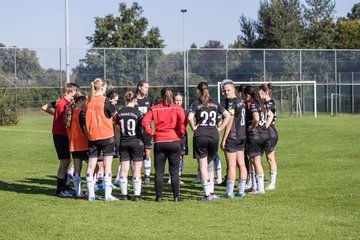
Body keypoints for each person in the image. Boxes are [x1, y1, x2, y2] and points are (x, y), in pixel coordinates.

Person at [188, 82, 230, 201]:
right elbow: (227, 115)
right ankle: (212, 192)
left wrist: (193, 127)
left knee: (202, 166)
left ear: (198, 91)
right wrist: (220, 128)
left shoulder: (196, 103)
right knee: (210, 163)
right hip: (213, 135)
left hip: (201, 135)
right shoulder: (215, 103)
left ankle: (207, 195)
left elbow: (190, 118)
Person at [142, 87, 186, 202]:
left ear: (161, 96)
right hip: (173, 140)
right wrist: (180, 133)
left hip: (159, 141)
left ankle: (159, 196)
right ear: (172, 96)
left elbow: (144, 122)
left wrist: (151, 132)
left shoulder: (155, 108)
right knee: (174, 171)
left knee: (159, 171)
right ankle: (176, 196)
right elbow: (182, 122)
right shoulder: (177, 108)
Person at [85, 78, 118, 201]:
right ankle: (108, 195)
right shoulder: (106, 100)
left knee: (91, 166)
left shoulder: (88, 101)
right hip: (106, 135)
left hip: (92, 136)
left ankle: (91, 194)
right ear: (103, 87)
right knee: (107, 166)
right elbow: (115, 116)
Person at [220, 79, 247, 198]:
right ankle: (241, 191)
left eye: (228, 90)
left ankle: (229, 193)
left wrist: (224, 138)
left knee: (231, 165)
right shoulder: (241, 101)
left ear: (234, 89)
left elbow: (230, 120)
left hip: (233, 136)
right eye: (224, 90)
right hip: (242, 136)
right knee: (241, 164)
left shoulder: (231, 102)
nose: (226, 92)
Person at [243, 85, 273, 194]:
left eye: (243, 95)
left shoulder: (254, 104)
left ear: (247, 95)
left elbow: (256, 118)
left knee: (256, 162)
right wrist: (265, 125)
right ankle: (254, 186)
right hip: (263, 134)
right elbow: (270, 114)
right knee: (252, 161)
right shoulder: (261, 103)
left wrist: (252, 127)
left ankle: (260, 188)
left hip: (255, 136)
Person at [116, 91, 144, 201]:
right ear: (135, 100)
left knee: (124, 168)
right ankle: (137, 195)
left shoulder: (120, 112)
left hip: (124, 141)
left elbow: (118, 127)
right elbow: (141, 127)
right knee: (136, 168)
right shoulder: (137, 112)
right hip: (136, 141)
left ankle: (124, 194)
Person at [52, 83, 77, 197]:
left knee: (67, 161)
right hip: (60, 135)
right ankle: (60, 189)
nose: (73, 97)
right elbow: (64, 121)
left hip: (64, 135)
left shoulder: (65, 103)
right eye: (72, 94)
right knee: (64, 161)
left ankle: (65, 186)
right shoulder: (62, 104)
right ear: (66, 93)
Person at [65, 94, 88, 198]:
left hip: (74, 145)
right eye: (86, 101)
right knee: (95, 167)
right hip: (83, 144)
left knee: (77, 170)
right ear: (82, 101)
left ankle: (79, 194)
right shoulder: (81, 113)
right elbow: (85, 130)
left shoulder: (70, 112)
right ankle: (89, 191)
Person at [259, 83, 278, 190]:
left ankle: (272, 183)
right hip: (262, 133)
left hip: (270, 133)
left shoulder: (270, 104)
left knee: (270, 158)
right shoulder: (263, 103)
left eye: (260, 93)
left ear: (265, 92)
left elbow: (268, 115)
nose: (258, 95)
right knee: (257, 158)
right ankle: (258, 180)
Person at [135, 80, 153, 184]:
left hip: (147, 132)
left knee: (147, 154)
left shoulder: (149, 100)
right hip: (136, 131)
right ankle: (136, 175)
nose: (147, 89)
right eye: (145, 87)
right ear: (139, 87)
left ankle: (147, 176)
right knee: (137, 155)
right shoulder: (133, 99)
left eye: (147, 88)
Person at [167, 92, 187, 185]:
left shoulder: (185, 111)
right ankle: (171, 177)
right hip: (172, 136)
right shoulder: (170, 110)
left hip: (182, 137)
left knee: (181, 157)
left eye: (180, 100)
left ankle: (178, 176)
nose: (178, 102)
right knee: (172, 157)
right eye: (176, 100)